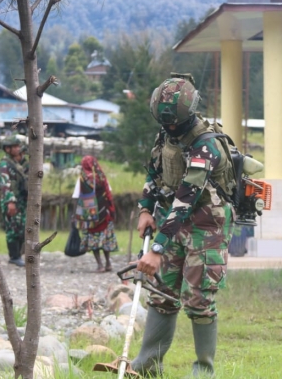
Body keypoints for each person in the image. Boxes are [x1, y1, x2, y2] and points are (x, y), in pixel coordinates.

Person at [132, 75, 234, 377]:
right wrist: (145, 209)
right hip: (171, 221)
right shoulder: (166, 135)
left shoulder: (206, 146)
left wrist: (157, 248)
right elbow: (154, 171)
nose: (170, 128)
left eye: (174, 123)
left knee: (199, 299)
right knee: (162, 293)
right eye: (165, 124)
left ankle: (203, 370)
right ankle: (148, 364)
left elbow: (187, 198)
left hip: (206, 228)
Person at [72, 155, 118, 272]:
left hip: (89, 216)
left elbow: (76, 197)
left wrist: (75, 214)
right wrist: (111, 210)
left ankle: (100, 265)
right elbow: (109, 193)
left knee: (93, 241)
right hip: (104, 213)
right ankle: (108, 263)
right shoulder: (101, 177)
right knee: (105, 239)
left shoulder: (82, 178)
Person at [0, 135, 28, 267]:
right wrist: (10, 202)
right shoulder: (5, 164)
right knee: (13, 229)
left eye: (18, 146)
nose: (17, 149)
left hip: (21, 201)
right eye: (14, 147)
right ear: (7, 149)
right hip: (11, 202)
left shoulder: (20, 164)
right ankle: (14, 256)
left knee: (22, 228)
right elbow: (5, 184)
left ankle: (19, 255)